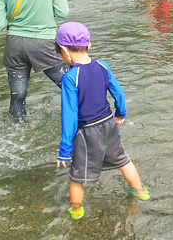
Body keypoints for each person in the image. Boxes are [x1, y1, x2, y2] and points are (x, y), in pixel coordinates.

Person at [55, 22, 149, 220]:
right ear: (89, 45)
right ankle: (140, 191)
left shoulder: (70, 78)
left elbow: (70, 116)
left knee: (76, 176)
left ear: (63, 49)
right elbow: (118, 92)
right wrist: (120, 113)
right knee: (123, 160)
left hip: (87, 131)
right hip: (109, 123)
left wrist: (64, 151)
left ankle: (76, 208)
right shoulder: (102, 66)